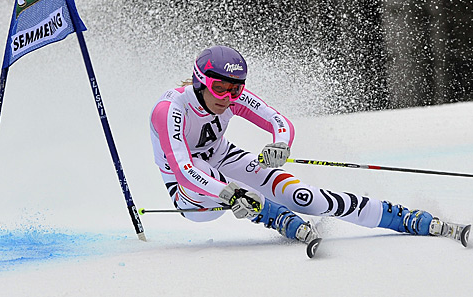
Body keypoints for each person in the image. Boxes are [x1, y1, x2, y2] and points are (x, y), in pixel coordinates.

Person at [149, 45, 469, 253]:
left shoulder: (232, 99)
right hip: (188, 190)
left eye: (235, 89)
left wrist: (280, 145)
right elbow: (184, 169)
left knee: (305, 197)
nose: (227, 97)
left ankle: (402, 218)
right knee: (230, 187)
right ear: (199, 82)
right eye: (219, 88)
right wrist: (230, 194)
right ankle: (277, 217)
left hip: (222, 157)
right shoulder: (171, 109)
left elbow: (280, 122)